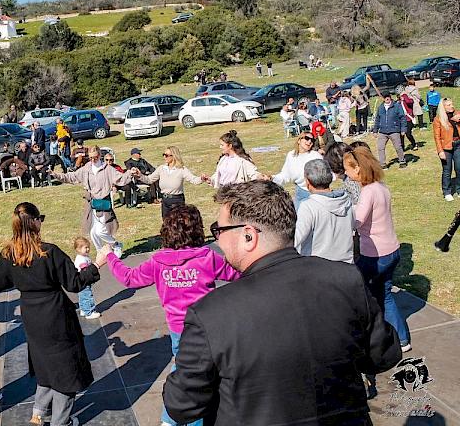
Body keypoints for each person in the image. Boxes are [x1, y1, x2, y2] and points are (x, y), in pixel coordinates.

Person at [162, 180, 402, 425]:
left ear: (248, 236)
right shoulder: (346, 279)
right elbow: (384, 354)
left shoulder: (210, 314)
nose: (218, 242)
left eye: (219, 231)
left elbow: (181, 405)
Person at [95, 205, 240, 426]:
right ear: (198, 230)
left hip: (179, 330)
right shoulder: (207, 258)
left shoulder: (158, 262)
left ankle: (172, 418)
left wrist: (111, 258)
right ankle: (186, 419)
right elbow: (237, 274)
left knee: (185, 370)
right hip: (207, 328)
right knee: (204, 376)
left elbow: (130, 278)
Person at [0, 202, 101, 426]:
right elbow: (74, 283)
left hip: (31, 314)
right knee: (65, 369)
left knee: (44, 362)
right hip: (55, 313)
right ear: (35, 222)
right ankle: (61, 421)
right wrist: (96, 265)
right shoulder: (50, 251)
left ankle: (39, 411)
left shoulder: (8, 253)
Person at [343, 148, 412, 352]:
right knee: (386, 294)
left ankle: (371, 338)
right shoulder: (381, 187)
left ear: (358, 169)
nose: (346, 173)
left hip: (375, 254)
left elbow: (357, 221)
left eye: (348, 169)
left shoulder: (368, 192)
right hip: (392, 249)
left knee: (366, 296)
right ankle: (402, 339)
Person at [51, 145, 135, 250]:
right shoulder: (86, 169)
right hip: (91, 203)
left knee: (100, 231)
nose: (93, 160)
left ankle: (116, 245)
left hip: (103, 203)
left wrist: (130, 173)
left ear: (100, 155)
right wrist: (56, 175)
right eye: (90, 157)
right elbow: (72, 177)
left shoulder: (108, 169)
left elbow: (121, 179)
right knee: (92, 233)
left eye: (95, 157)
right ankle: (101, 252)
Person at [294, 159, 355, 263]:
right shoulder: (346, 200)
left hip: (319, 267)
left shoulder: (308, 207)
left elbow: (296, 239)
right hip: (346, 264)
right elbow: (353, 225)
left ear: (307, 182)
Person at [134, 146, 206, 218]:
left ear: (174, 156)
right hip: (165, 201)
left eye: (166, 155)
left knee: (178, 225)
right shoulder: (161, 168)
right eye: (163, 154)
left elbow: (194, 180)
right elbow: (149, 180)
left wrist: (202, 178)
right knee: (166, 224)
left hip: (177, 201)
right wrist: (139, 175)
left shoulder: (181, 169)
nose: (164, 157)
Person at [269, 133, 323, 208]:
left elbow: (326, 175)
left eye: (312, 140)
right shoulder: (291, 155)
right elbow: (285, 175)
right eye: (307, 138)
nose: (310, 141)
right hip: (300, 192)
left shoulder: (316, 156)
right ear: (299, 140)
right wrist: (271, 178)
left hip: (316, 193)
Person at [433, 97, 460, 201]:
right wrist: (440, 151)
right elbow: (437, 136)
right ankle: (447, 191)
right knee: (447, 170)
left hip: (458, 145)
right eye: (448, 105)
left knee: (459, 168)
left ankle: (459, 189)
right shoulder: (438, 119)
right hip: (446, 148)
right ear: (443, 107)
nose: (451, 106)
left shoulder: (457, 114)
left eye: (451, 104)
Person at [373, 91, 407, 169]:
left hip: (394, 130)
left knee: (398, 147)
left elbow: (402, 118)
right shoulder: (380, 107)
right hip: (383, 131)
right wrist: (375, 130)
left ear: (390, 96)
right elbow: (377, 119)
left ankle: (402, 161)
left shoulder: (397, 106)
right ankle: (383, 164)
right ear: (383, 98)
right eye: (385, 97)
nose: (387, 98)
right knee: (380, 148)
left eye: (388, 96)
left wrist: (403, 129)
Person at [72, 236, 100, 319]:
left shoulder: (84, 257)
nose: (88, 249)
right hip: (84, 281)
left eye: (88, 247)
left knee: (83, 296)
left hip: (82, 281)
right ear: (78, 249)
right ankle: (89, 312)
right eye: (86, 247)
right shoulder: (80, 259)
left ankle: (83, 310)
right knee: (87, 295)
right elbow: (85, 269)